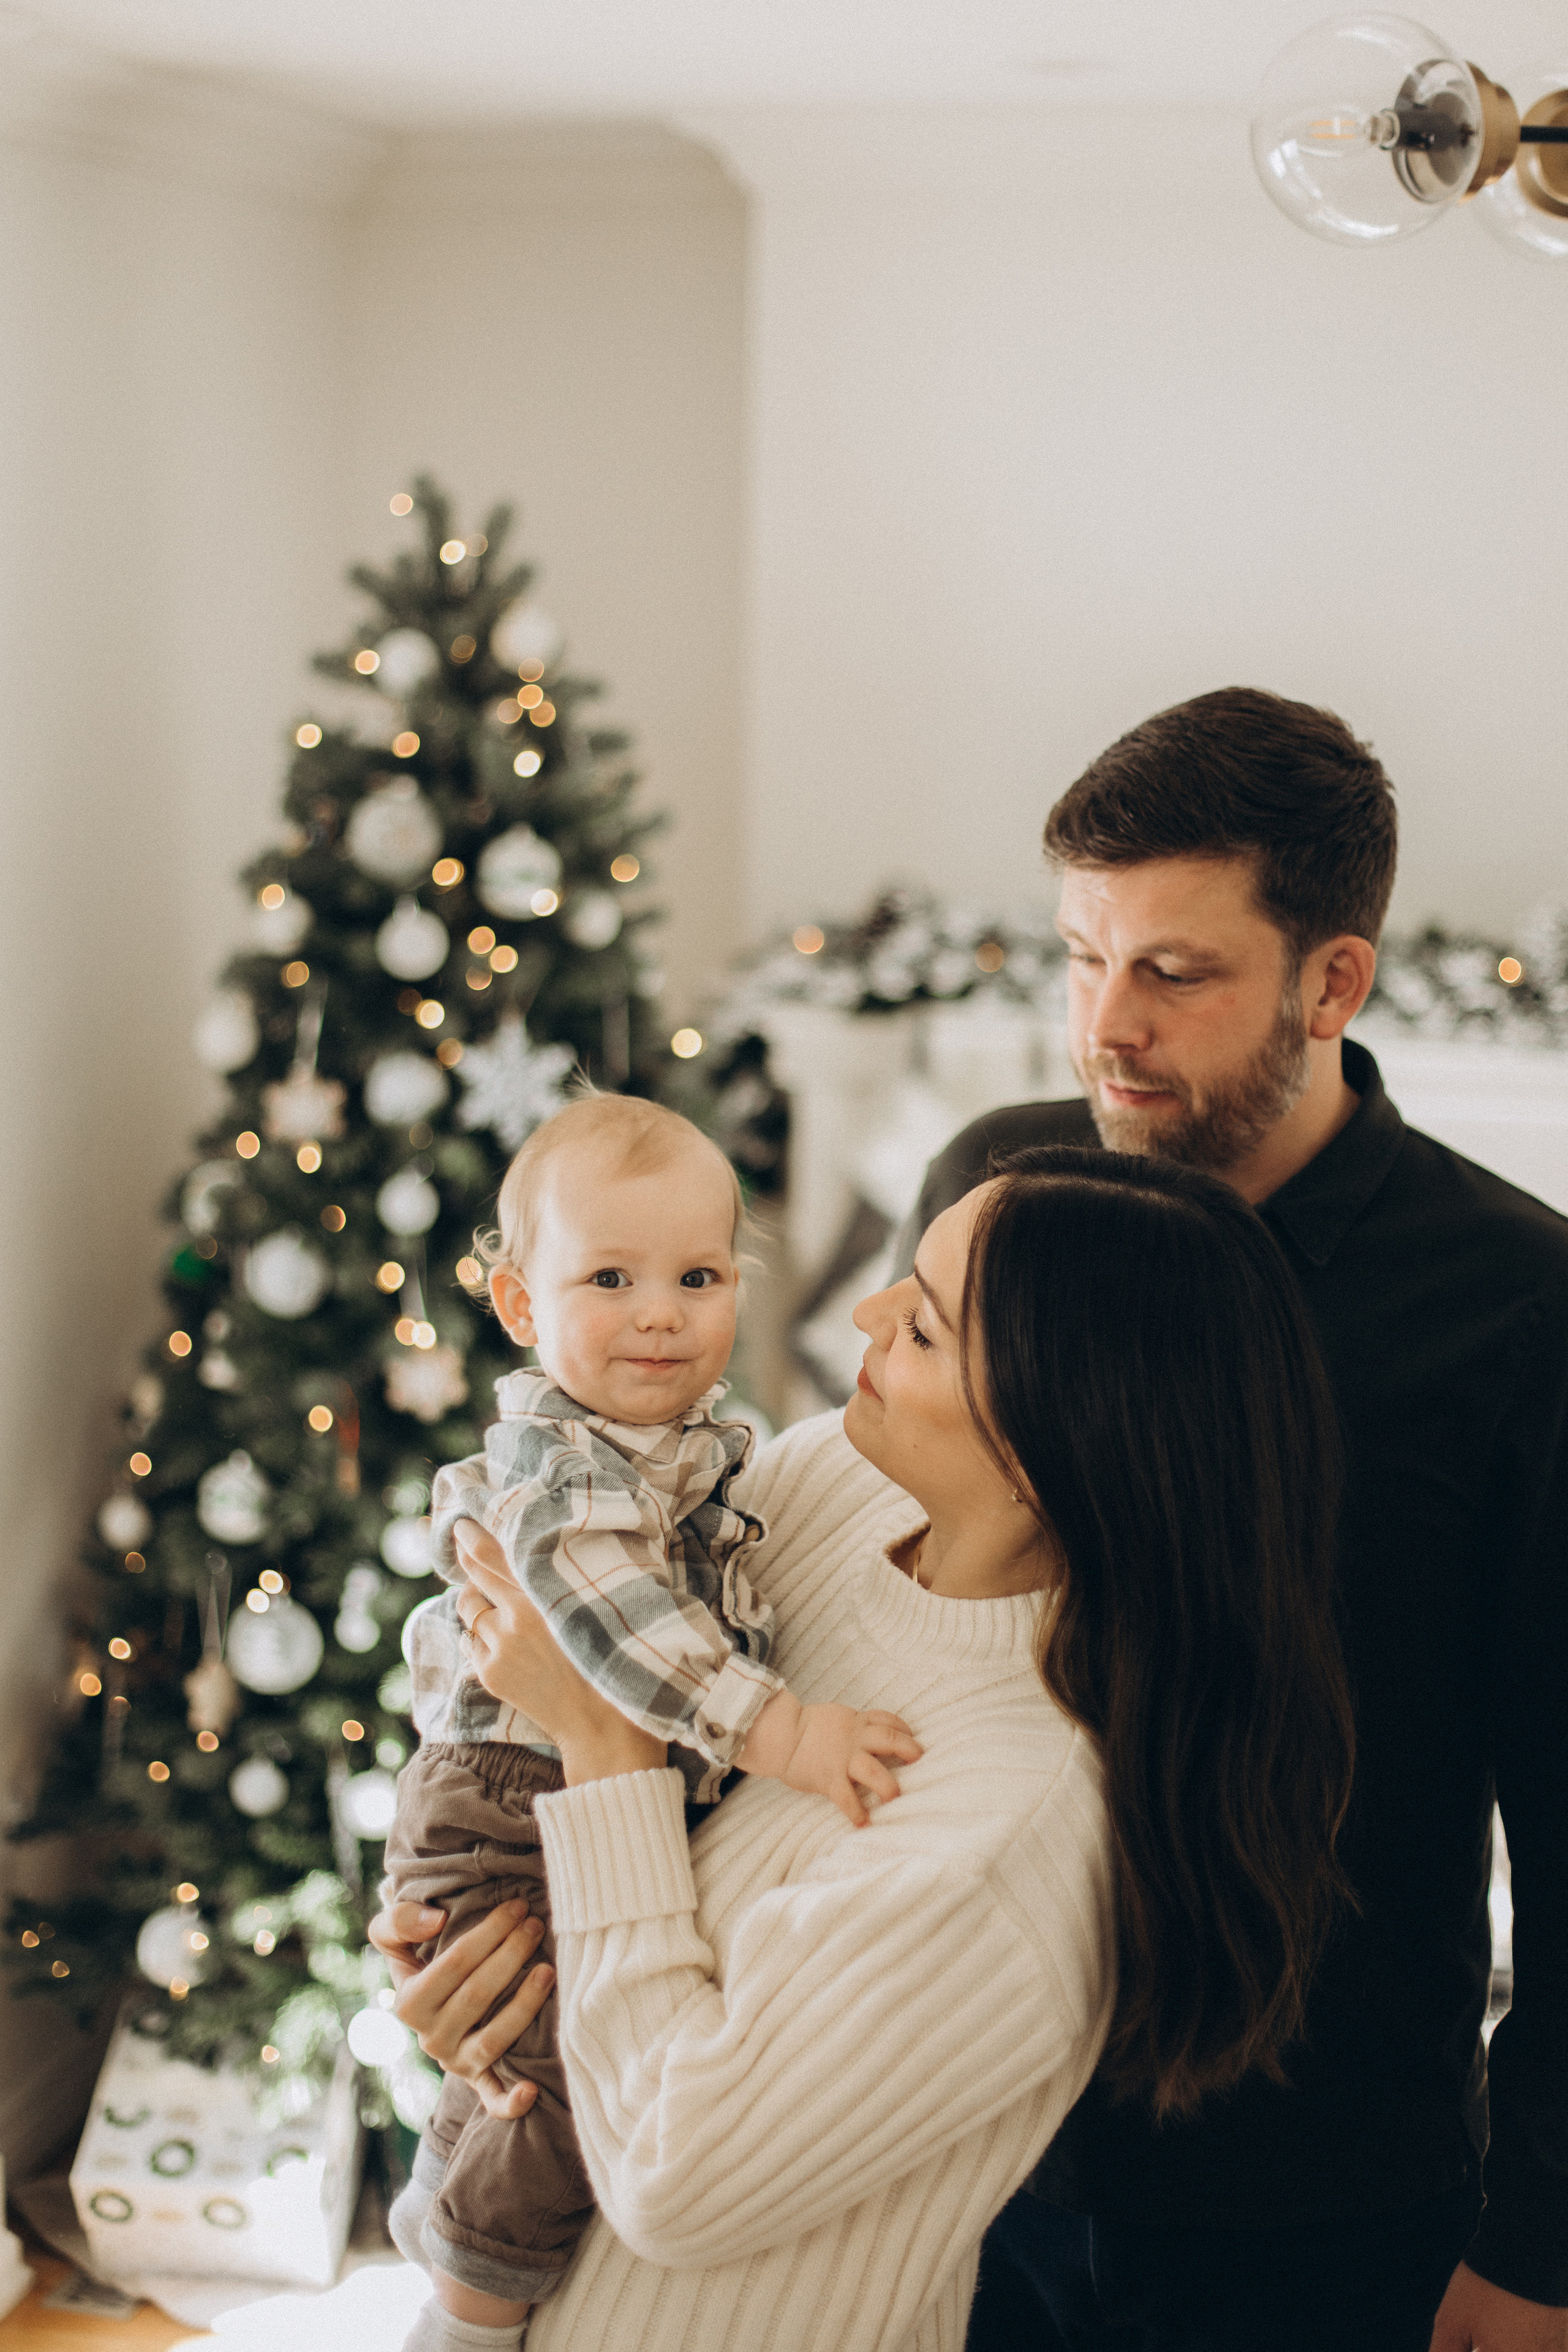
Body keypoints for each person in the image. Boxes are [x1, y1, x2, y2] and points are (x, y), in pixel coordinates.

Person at [372, 1147, 1355, 2352]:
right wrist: (474, 1942)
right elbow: (583, 1819)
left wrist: (601, 1742)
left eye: (926, 1327)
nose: (864, 1310)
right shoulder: (829, 1489)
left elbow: (672, 2177)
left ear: (1050, 1446)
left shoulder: (1002, 1833)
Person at [895, 687, 1568, 2352]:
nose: (1102, 1027)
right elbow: (857, 1586)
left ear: (1332, 979)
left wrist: (1545, 2241)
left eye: (1172, 973)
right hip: (953, 2142)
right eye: (1079, 955)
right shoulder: (1004, 1193)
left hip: (1321, 2193)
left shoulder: (1519, 1307)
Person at [381, 1093, 919, 2352]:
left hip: (536, 1780)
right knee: (561, 2071)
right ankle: (470, 2309)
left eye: (697, 1275)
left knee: (522, 2052)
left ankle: (447, 2240)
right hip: (510, 1790)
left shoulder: (688, 1448)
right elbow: (626, 1641)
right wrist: (785, 1737)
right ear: (521, 1308)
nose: (662, 1313)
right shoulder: (568, 1469)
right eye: (609, 1278)